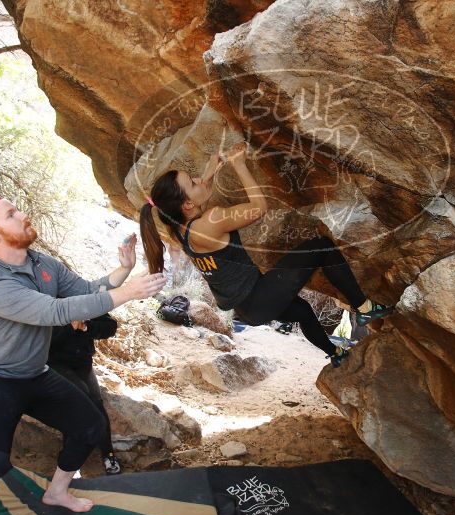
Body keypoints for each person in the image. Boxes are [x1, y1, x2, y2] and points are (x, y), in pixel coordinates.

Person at [0, 194, 166, 515]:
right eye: (11, 214)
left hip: (34, 373)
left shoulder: (42, 263)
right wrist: (128, 292)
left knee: (90, 427)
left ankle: (56, 492)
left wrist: (124, 270)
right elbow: (54, 312)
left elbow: (82, 290)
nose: (23, 214)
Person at [138, 143, 392, 368]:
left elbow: (198, 199)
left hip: (246, 308)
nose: (197, 179)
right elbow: (259, 208)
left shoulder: (178, 228)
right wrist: (239, 165)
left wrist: (209, 172)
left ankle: (336, 353)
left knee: (302, 311)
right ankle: (364, 306)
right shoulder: (210, 221)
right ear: (187, 205)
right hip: (258, 297)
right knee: (321, 246)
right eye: (192, 182)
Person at [47, 313, 121, 475]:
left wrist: (87, 326)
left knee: (96, 402)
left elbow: (110, 326)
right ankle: (69, 462)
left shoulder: (86, 297)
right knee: (78, 399)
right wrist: (70, 327)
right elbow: (44, 338)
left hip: (82, 362)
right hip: (56, 363)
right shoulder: (51, 299)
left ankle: (108, 454)